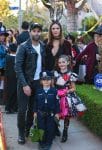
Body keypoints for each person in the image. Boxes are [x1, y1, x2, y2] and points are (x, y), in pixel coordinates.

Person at [15, 22, 45, 144]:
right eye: (34, 31)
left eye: (38, 31)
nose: (36, 33)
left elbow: (43, 65)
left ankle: (28, 129)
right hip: (25, 82)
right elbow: (17, 67)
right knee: (22, 110)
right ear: (30, 32)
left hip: (38, 83)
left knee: (33, 109)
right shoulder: (23, 46)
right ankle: (21, 133)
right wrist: (25, 84)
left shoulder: (42, 46)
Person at [54, 55, 84, 143]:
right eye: (59, 62)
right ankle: (56, 129)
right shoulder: (55, 73)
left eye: (63, 62)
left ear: (67, 63)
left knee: (66, 115)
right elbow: (53, 85)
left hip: (66, 97)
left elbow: (74, 88)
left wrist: (66, 91)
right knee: (56, 113)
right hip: (57, 96)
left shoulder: (71, 74)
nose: (61, 64)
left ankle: (65, 132)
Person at [33, 71, 60, 150]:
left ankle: (48, 143)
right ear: (41, 81)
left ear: (51, 80)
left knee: (49, 128)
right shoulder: (38, 91)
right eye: (44, 80)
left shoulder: (54, 91)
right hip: (40, 113)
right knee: (41, 128)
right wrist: (35, 112)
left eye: (48, 79)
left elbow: (57, 102)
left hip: (50, 114)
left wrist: (57, 113)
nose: (46, 81)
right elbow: (35, 102)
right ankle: (41, 142)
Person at [5, 43, 18, 113]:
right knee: (15, 92)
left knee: (9, 92)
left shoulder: (7, 57)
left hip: (9, 77)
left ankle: (8, 107)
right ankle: (13, 107)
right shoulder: (17, 58)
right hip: (16, 77)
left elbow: (6, 68)